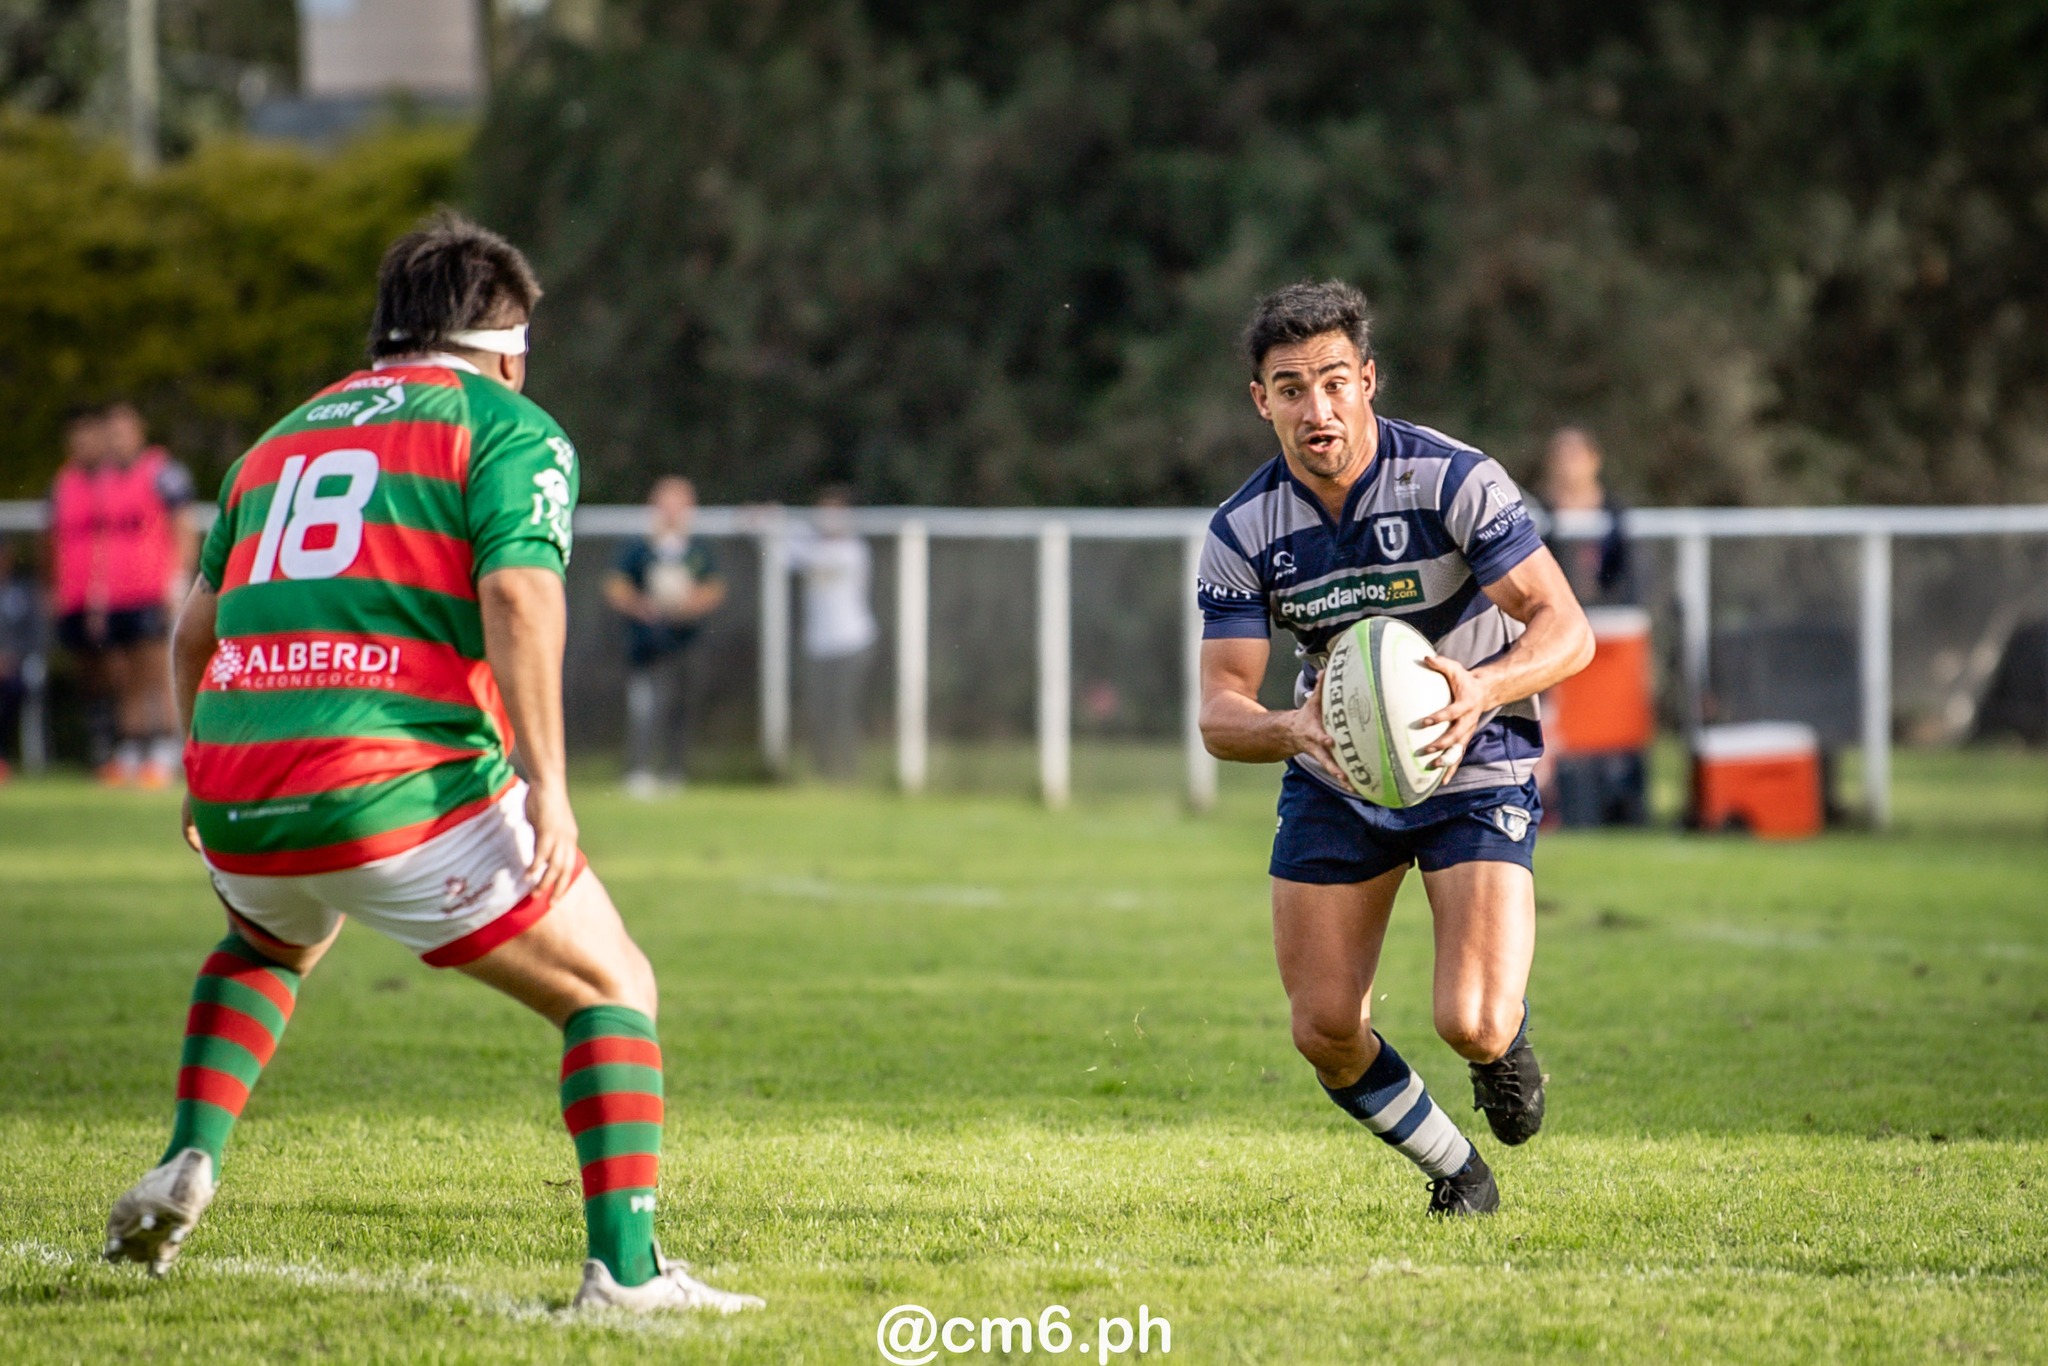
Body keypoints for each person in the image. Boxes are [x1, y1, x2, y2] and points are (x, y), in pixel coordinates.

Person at [101, 214, 762, 1315]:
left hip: (238, 794)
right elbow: (516, 594)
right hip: (391, 785)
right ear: (502, 337)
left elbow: (190, 632)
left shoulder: (276, 440)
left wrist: (196, 771)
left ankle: (185, 1157)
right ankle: (629, 1275)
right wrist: (549, 785)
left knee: (267, 939)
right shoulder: (506, 426)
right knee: (612, 985)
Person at [1195, 281, 1593, 1216]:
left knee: (1472, 1019)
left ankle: (1505, 1044)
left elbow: (1565, 625)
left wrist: (1484, 689)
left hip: (1474, 748)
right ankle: (1458, 1172)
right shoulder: (1242, 531)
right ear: (1262, 401)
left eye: (1335, 381)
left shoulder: (1451, 480)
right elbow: (1219, 710)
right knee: (1326, 1028)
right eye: (1290, 388)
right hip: (1334, 769)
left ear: (1368, 380)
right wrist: (1291, 729)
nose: (1317, 408)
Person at [48, 401, 196, 787]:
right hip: (115, 595)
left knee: (155, 672)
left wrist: (176, 580)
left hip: (150, 590)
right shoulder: (103, 481)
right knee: (123, 676)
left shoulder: (162, 472)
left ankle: (165, 748)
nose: (115, 440)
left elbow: (182, 525)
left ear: (138, 431)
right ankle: (132, 747)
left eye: (121, 431)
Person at [605, 477, 725, 797]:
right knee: (645, 706)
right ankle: (638, 770)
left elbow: (714, 588)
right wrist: (641, 607)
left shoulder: (697, 549)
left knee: (681, 706)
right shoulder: (639, 546)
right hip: (647, 645)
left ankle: (675, 772)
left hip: (685, 643)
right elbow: (616, 587)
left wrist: (689, 606)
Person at [787, 488, 878, 780]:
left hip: (852, 642)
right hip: (818, 645)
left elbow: (810, 559)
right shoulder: (809, 544)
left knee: (844, 711)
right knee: (818, 712)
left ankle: (848, 772)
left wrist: (790, 531)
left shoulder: (853, 550)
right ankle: (823, 772)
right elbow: (780, 552)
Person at [1537, 426, 1635, 607]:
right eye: (1561, 457)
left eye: (1574, 456)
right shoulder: (1536, 515)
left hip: (1610, 618)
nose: (1567, 465)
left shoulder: (1617, 513)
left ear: (1594, 459)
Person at [0, 537, 43, 781]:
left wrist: (12, 657)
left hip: (14, 668)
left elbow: (36, 637)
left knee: (12, 689)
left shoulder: (23, 593)